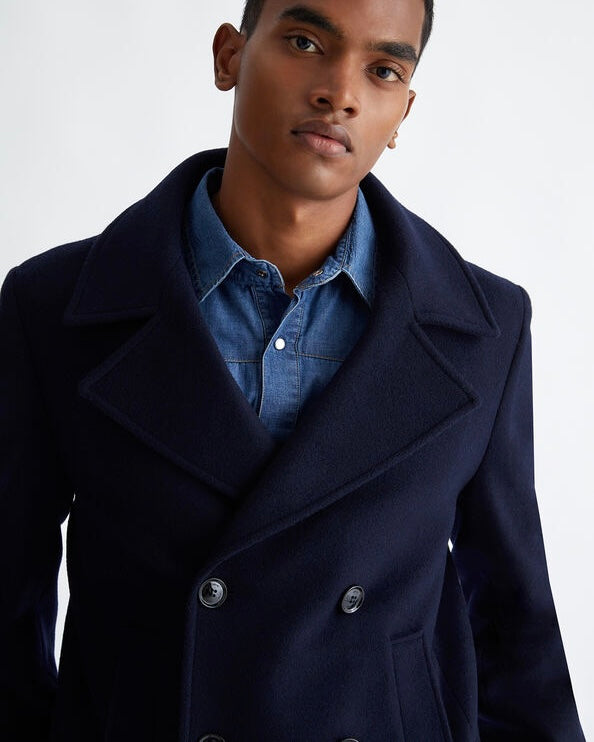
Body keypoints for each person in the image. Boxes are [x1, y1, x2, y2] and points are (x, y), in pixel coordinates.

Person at [0, 0, 586, 740]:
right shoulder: (55, 309)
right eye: (306, 42)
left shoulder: (484, 330)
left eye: (382, 70)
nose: (340, 92)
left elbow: (514, 623)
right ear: (229, 56)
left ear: (403, 112)